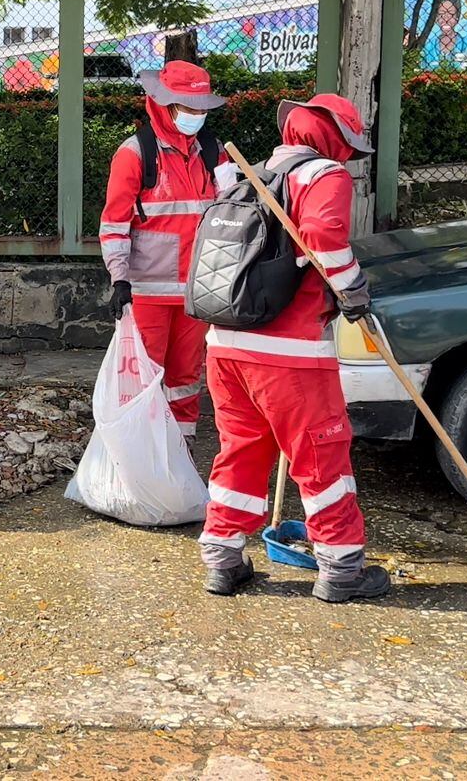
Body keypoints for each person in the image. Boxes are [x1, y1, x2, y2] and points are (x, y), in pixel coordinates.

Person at [197, 93, 388, 603]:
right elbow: (324, 233)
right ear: (337, 139)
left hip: (225, 343)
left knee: (240, 450)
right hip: (292, 353)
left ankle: (223, 560)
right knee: (321, 455)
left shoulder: (251, 173)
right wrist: (352, 290)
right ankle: (342, 568)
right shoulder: (323, 175)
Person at [98, 60, 236, 443]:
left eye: (201, 108)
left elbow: (232, 212)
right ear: (164, 103)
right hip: (149, 294)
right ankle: (141, 455)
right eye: (188, 107)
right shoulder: (135, 153)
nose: (197, 115)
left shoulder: (214, 152)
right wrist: (120, 279)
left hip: (198, 291)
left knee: (186, 379)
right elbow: (114, 224)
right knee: (144, 378)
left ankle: (181, 451)